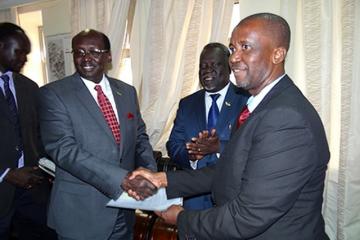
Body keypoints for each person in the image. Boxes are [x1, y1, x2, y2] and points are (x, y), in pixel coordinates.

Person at [128, 13, 330, 240]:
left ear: (277, 54)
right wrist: (162, 179)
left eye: (246, 47)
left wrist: (182, 218)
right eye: (233, 48)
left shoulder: (286, 119)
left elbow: (248, 216)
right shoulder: (260, 106)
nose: (234, 58)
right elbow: (230, 170)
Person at [38, 29, 157, 240]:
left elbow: (139, 137)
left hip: (125, 209)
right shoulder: (54, 94)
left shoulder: (127, 91)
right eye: (79, 52)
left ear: (108, 56)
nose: (86, 58)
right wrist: (122, 179)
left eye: (94, 51)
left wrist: (148, 172)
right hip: (81, 215)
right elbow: (64, 150)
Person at [166, 42, 248, 210]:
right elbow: (173, 144)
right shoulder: (187, 104)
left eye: (214, 65)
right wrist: (191, 155)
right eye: (203, 66)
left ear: (229, 67)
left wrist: (218, 147)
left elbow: (252, 146)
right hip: (194, 201)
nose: (207, 70)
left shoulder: (246, 100)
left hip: (232, 202)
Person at [0, 22, 56, 240]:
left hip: (33, 190)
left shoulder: (30, 88)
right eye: (19, 51)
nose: (24, 58)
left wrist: (48, 169)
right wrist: (7, 174)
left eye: (26, 53)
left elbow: (38, 136)